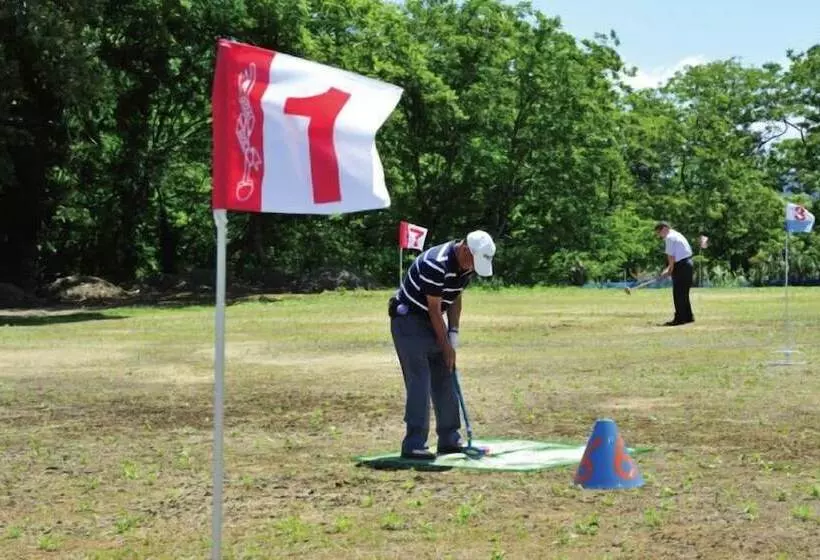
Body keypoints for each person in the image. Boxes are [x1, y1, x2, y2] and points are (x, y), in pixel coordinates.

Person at [388, 230, 496, 459]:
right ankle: (414, 443)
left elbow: (454, 299)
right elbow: (435, 310)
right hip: (408, 320)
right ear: (465, 248)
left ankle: (449, 439)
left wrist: (453, 334)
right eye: (472, 261)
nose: (472, 268)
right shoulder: (435, 264)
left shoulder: (466, 266)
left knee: (445, 376)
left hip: (431, 320)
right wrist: (446, 347)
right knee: (420, 379)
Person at [654, 221, 695, 326]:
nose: (660, 236)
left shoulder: (669, 237)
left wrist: (669, 270)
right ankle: (688, 317)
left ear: (664, 229)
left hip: (681, 265)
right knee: (683, 293)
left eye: (659, 233)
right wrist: (670, 269)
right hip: (688, 263)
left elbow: (671, 256)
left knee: (678, 293)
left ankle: (680, 319)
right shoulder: (677, 234)